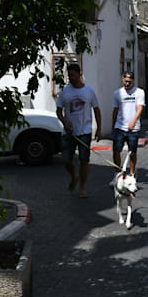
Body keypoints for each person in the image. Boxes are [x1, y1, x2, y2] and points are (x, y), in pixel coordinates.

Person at [56, 63, 102, 198]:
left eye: (72, 75)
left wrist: (99, 129)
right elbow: (58, 111)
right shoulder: (65, 91)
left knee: (84, 160)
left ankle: (82, 187)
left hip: (85, 131)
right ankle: (73, 176)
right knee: (66, 160)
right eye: (68, 75)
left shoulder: (89, 91)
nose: (70, 78)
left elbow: (97, 110)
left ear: (79, 75)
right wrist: (65, 122)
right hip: (69, 132)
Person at [109, 71, 145, 186]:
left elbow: (140, 108)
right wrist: (113, 125)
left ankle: (132, 173)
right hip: (120, 127)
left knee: (132, 152)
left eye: (129, 82)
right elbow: (115, 110)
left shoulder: (139, 92)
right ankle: (118, 174)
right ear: (122, 80)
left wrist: (133, 122)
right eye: (125, 81)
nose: (127, 84)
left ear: (133, 81)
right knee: (116, 151)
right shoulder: (117, 93)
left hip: (133, 129)